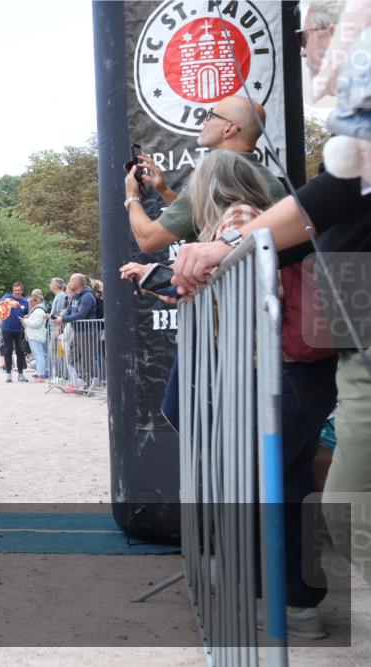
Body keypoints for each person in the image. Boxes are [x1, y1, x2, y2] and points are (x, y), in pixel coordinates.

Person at [171, 0, 371, 601]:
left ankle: (297, 596)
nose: (303, 48)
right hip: (348, 345)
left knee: (342, 510)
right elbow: (324, 222)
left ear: (336, 34)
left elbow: (330, 198)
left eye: (305, 33)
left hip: (325, 355)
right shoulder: (348, 121)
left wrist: (228, 243)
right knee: (337, 505)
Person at [125, 95, 285, 254]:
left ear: (229, 129)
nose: (204, 122)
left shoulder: (214, 176)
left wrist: (132, 196)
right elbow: (199, 217)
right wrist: (164, 190)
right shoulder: (272, 182)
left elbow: (148, 240)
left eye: (211, 116)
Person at [54, 275, 97, 390]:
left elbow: (81, 314)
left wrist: (62, 320)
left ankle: (91, 382)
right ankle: (89, 380)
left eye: (71, 280)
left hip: (87, 331)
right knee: (72, 358)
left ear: (77, 282)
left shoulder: (87, 296)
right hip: (78, 331)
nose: (69, 282)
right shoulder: (75, 297)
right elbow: (68, 311)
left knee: (87, 358)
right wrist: (57, 318)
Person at [0, 281, 29, 383]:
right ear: (12, 290)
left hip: (19, 330)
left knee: (20, 352)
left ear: (22, 291)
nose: (17, 292)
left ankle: (20, 374)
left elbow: (26, 314)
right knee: (8, 351)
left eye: (19, 290)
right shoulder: (7, 296)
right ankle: (8, 374)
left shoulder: (25, 302)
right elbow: (1, 304)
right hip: (7, 328)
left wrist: (26, 316)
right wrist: (12, 302)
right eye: (15, 290)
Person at [23, 292, 48, 381]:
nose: (30, 303)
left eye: (31, 301)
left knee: (39, 356)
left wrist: (25, 320)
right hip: (34, 336)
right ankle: (40, 374)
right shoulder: (37, 310)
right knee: (39, 356)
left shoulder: (39, 310)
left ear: (36, 301)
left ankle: (41, 375)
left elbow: (36, 324)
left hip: (36, 336)